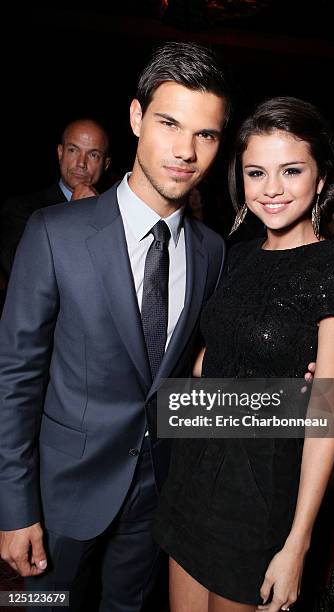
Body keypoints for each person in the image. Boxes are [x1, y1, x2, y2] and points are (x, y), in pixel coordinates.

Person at [0, 42, 230, 612]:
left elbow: (185, 369)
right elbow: (15, 379)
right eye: (170, 123)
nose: (186, 151)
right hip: (60, 497)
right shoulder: (53, 232)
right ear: (136, 118)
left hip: (156, 496)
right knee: (42, 608)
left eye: (206, 134)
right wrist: (14, 508)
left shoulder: (211, 250)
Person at [154, 96, 334, 612]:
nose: (271, 189)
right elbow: (210, 364)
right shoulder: (236, 256)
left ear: (320, 178)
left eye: (291, 170)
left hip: (260, 496)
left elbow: (328, 412)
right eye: (256, 172)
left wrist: (297, 544)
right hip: (193, 478)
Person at [0, 118, 111, 277]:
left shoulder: (113, 215)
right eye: (73, 150)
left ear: (105, 164)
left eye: (93, 154)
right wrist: (74, 216)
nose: (81, 163)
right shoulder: (23, 209)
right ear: (60, 153)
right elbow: (21, 270)